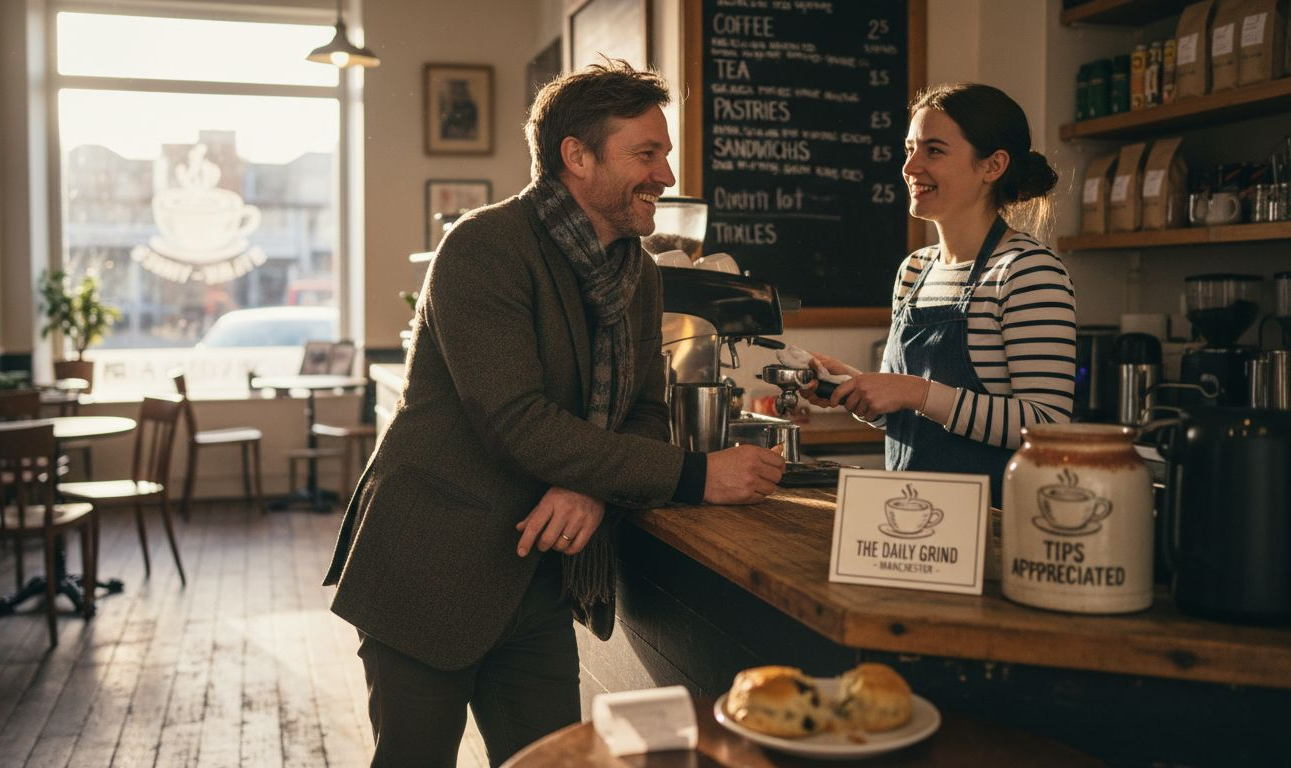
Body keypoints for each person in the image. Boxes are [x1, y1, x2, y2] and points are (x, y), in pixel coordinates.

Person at [323, 60, 784, 767]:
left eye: (664, 154)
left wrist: (592, 485)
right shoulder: (483, 246)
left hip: (539, 577)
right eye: (646, 153)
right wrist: (696, 476)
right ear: (577, 156)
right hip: (431, 568)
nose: (665, 175)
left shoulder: (637, 274)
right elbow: (519, 421)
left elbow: (642, 410)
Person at [805, 83, 1076, 506]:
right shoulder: (914, 270)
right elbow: (914, 420)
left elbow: (1045, 426)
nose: (911, 166)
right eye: (910, 148)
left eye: (933, 150)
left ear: (993, 165)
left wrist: (915, 391)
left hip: (994, 526)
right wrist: (858, 389)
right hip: (913, 521)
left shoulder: (1027, 271)